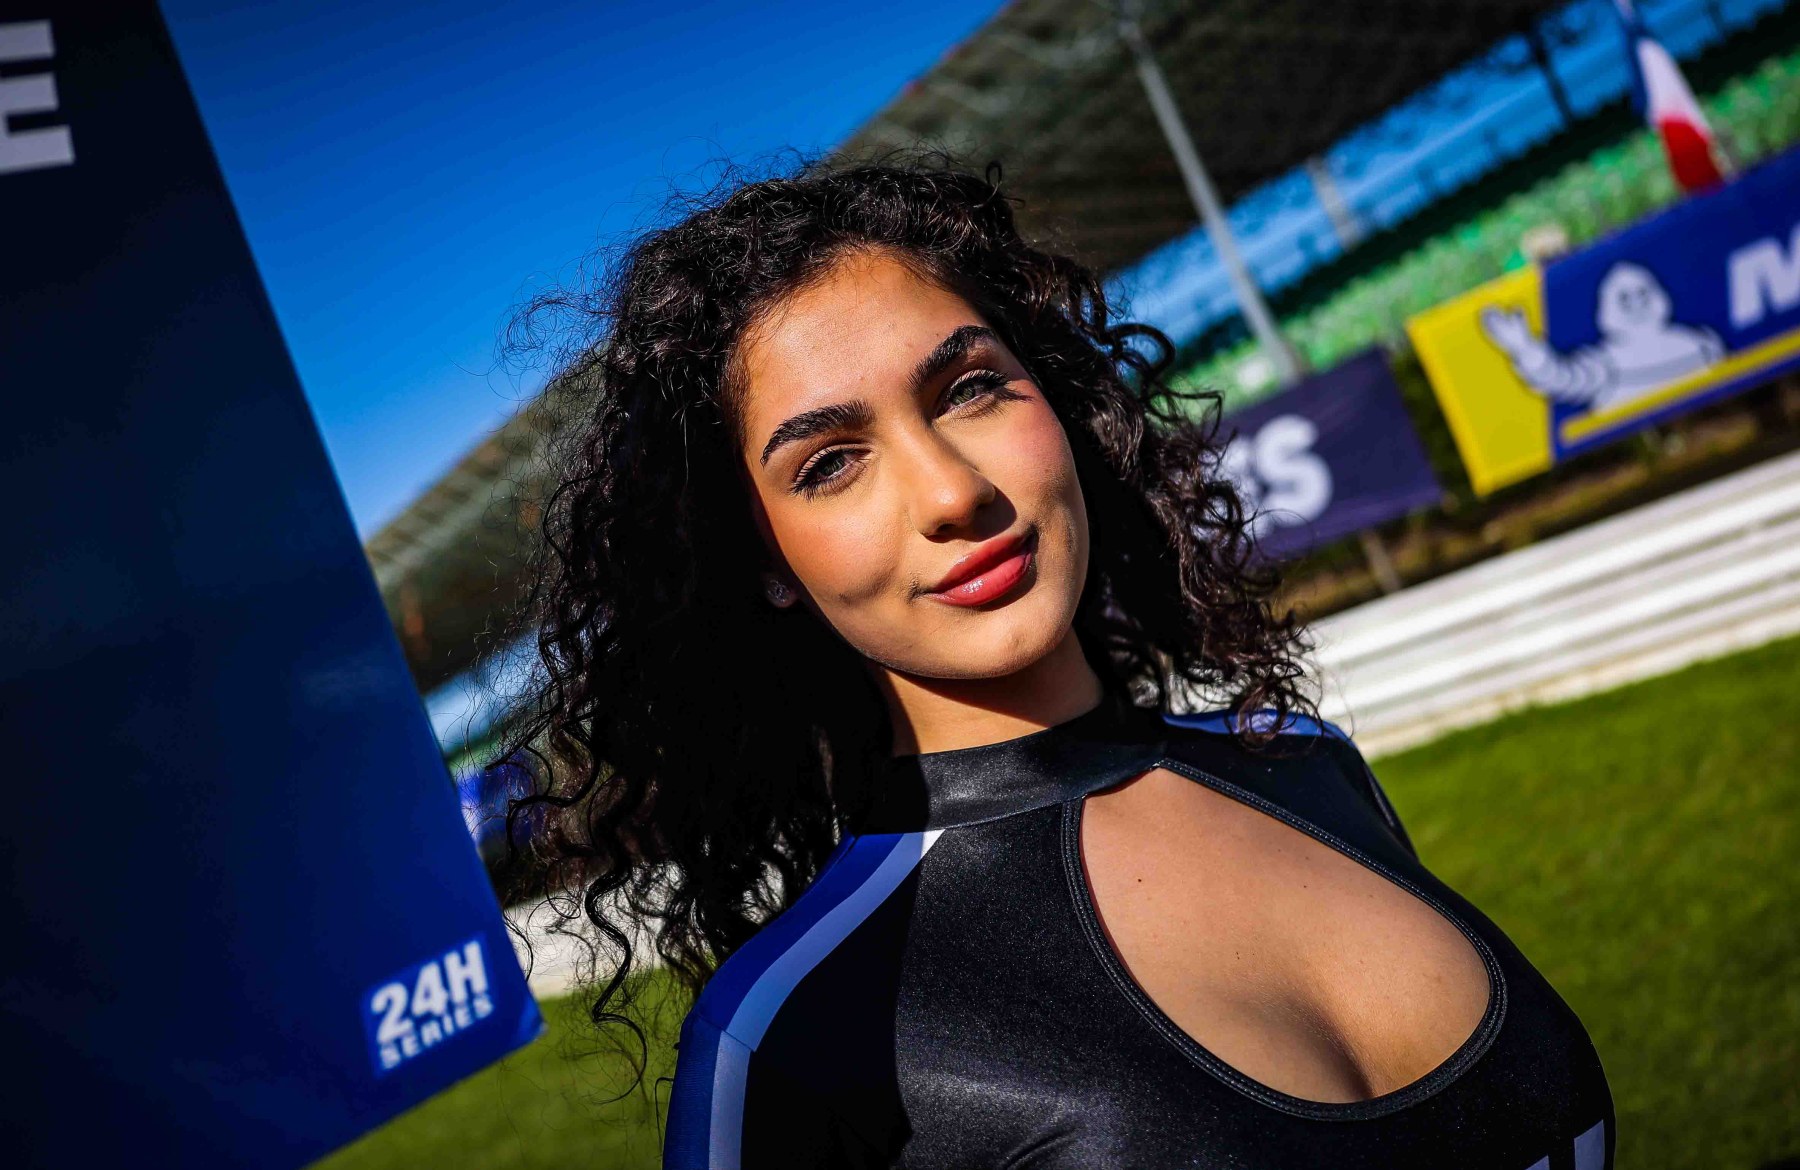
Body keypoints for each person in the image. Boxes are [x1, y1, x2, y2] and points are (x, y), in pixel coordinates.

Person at [495, 156, 1614, 1169]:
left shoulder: (1311, 763)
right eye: (831, 463)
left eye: (969, 389)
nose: (952, 492)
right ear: (764, 563)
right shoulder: (783, 1032)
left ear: (1058, 399)